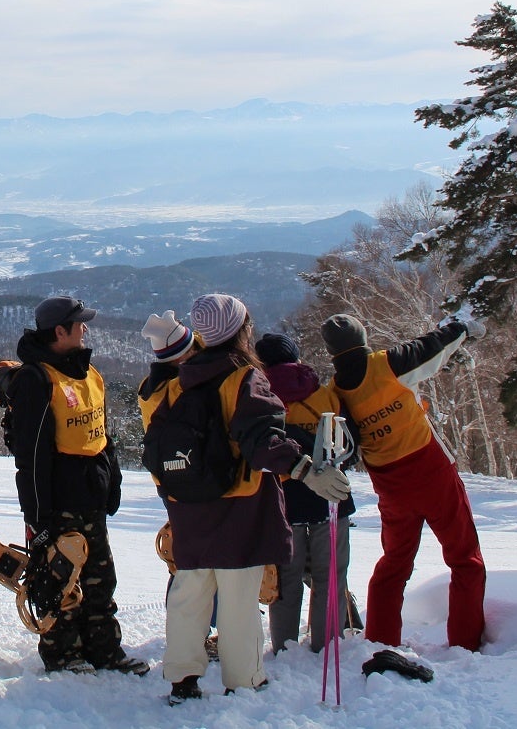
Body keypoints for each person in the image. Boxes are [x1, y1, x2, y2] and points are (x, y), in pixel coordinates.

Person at [142, 296, 350, 705]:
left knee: (190, 592)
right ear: (242, 330)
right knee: (238, 596)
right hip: (238, 503)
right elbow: (262, 442)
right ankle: (245, 679)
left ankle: (182, 679)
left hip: (187, 504)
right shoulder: (242, 378)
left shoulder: (178, 381)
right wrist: (308, 471)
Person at [322, 311, 486, 652]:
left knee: (394, 566)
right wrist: (464, 328)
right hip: (432, 473)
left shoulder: (335, 393)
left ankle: (381, 642)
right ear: (362, 339)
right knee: (464, 558)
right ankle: (465, 643)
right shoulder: (388, 364)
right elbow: (433, 346)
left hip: (391, 488)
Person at [11, 295, 147, 675]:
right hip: (58, 502)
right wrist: (38, 515)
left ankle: (104, 650)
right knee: (59, 582)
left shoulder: (90, 373)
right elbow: (32, 455)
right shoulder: (36, 380)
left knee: (100, 579)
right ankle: (63, 654)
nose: (85, 328)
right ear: (59, 331)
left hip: (91, 495)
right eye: (79, 323)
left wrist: (113, 478)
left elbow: (103, 434)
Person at [255, 331, 357, 654]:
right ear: (296, 359)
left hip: (285, 498)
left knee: (286, 577)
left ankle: (284, 645)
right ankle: (327, 642)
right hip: (331, 498)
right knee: (331, 575)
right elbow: (350, 446)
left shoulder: (261, 397)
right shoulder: (326, 395)